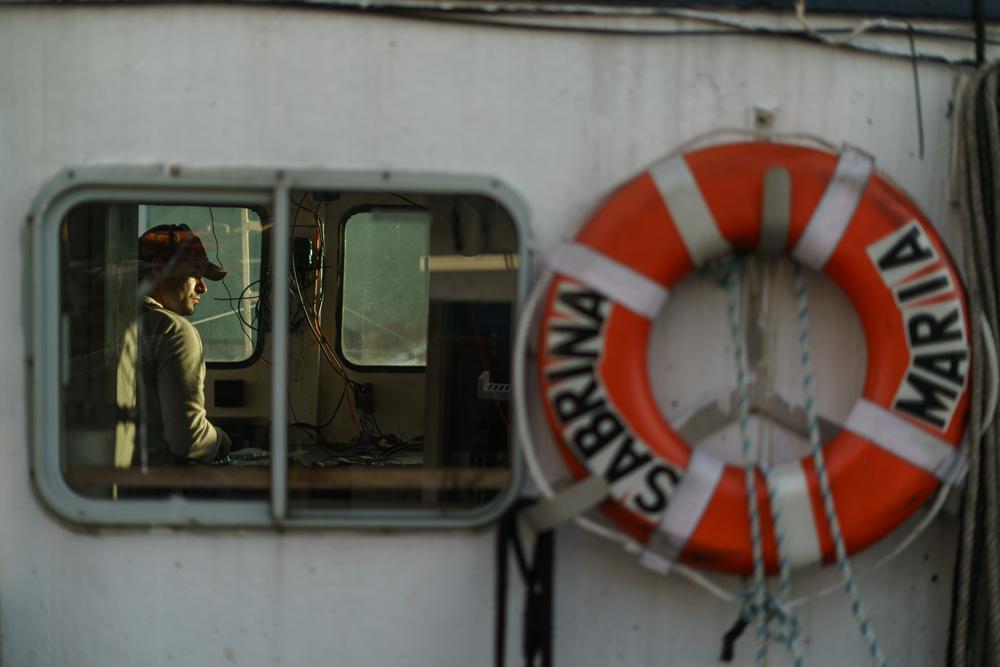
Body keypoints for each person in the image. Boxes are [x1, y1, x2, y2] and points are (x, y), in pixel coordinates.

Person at [121, 223, 232, 465]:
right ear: (160, 268)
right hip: (155, 489)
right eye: (195, 275)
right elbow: (189, 440)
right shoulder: (173, 330)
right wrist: (220, 440)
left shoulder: (115, 321)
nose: (202, 287)